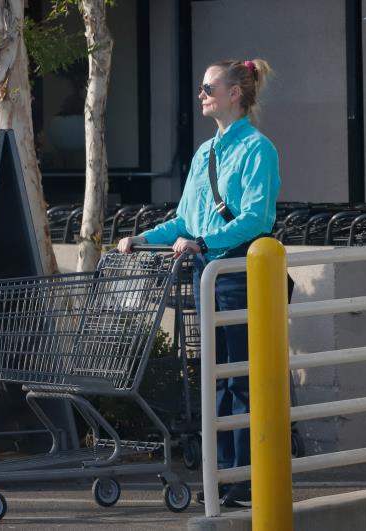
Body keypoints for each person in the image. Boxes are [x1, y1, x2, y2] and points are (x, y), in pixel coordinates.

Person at [117, 58, 280, 508]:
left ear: (234, 94)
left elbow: (257, 218)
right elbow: (186, 220)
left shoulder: (258, 150)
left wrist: (202, 241)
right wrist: (143, 238)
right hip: (206, 274)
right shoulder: (205, 153)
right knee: (216, 379)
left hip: (240, 273)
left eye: (209, 88)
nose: (201, 95)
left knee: (241, 378)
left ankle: (246, 480)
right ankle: (225, 477)